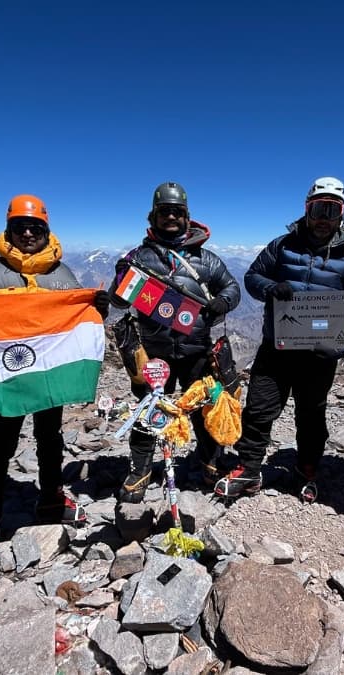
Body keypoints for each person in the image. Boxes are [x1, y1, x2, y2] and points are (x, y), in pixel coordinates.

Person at [0, 194, 109, 554]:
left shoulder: (62, 275)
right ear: (9, 230)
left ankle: (50, 497)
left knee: (50, 439)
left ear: (47, 231)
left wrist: (98, 308)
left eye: (36, 227)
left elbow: (80, 319)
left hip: (47, 375)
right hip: (7, 379)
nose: (29, 233)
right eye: (21, 227)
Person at [215, 177, 344, 503]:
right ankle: (247, 468)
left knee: (311, 415)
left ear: (341, 214)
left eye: (332, 210)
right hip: (278, 347)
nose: (323, 218)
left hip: (320, 353)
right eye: (318, 208)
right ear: (307, 208)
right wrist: (270, 288)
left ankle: (308, 470)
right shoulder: (282, 246)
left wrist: (343, 343)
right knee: (259, 409)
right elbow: (252, 278)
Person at [109, 182, 241, 503]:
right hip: (154, 353)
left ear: (187, 217)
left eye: (177, 212)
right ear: (153, 216)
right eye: (164, 211)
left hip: (197, 350)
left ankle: (210, 462)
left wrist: (220, 304)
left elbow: (232, 289)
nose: (171, 217)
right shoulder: (138, 259)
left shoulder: (206, 260)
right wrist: (121, 276)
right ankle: (140, 468)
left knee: (203, 407)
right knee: (148, 411)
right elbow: (118, 300)